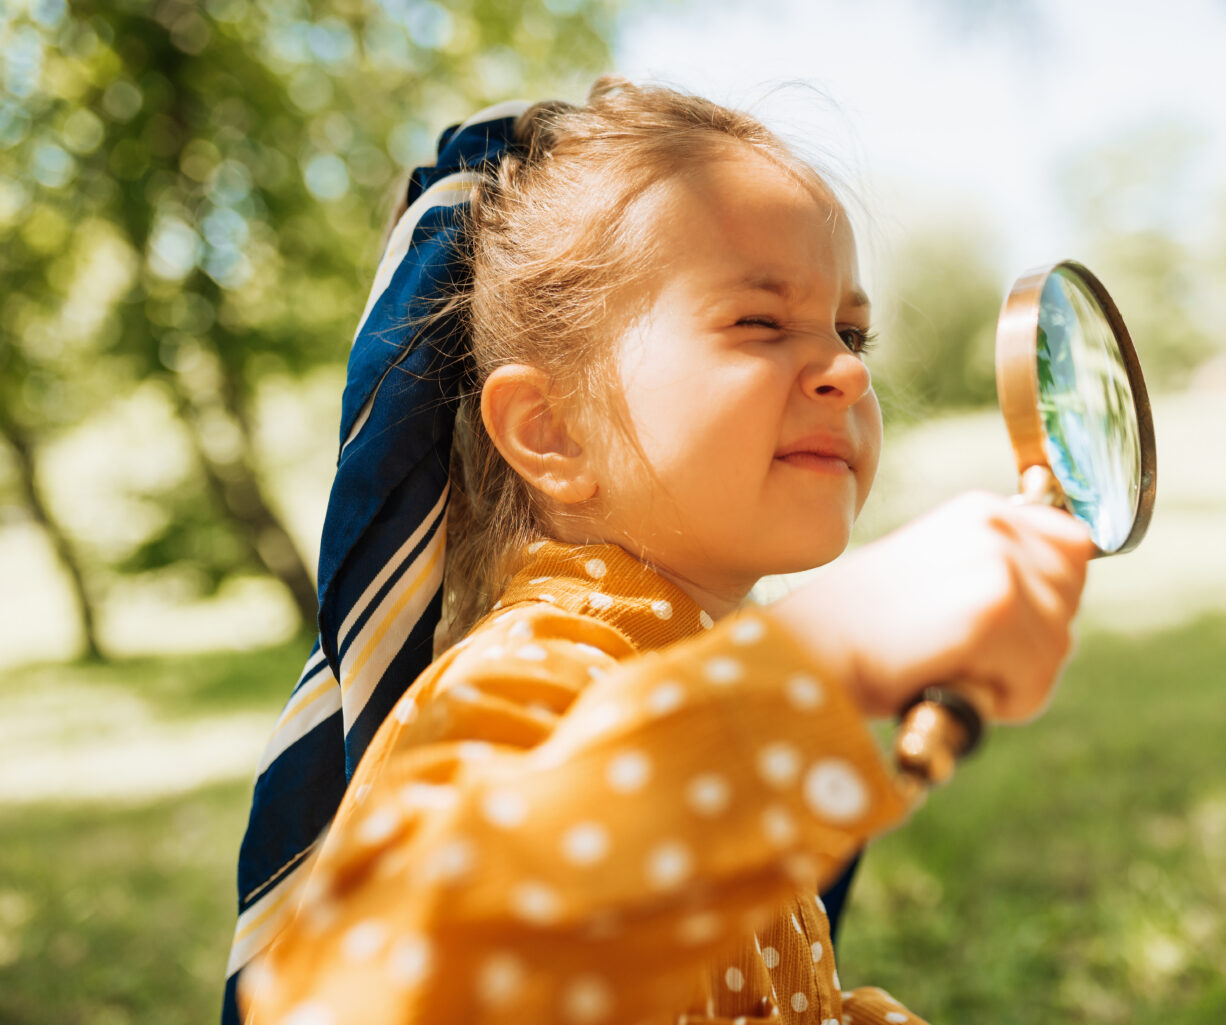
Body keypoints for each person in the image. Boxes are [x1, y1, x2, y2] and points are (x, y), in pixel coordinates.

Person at [230, 74, 1095, 1025]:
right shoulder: (539, 672)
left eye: (852, 332)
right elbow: (383, 984)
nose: (848, 369)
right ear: (553, 431)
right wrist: (824, 662)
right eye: (760, 322)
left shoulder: (687, 678)